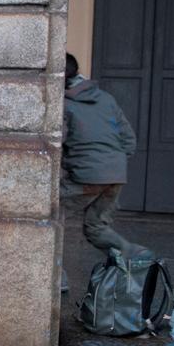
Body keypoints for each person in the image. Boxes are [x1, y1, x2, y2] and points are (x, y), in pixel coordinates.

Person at [60, 53, 138, 291]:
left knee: (48, 214)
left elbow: (58, 143)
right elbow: (129, 140)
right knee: (97, 227)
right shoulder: (105, 98)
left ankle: (55, 278)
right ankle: (135, 256)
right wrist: (111, 164)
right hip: (116, 173)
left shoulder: (63, 104)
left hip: (87, 175)